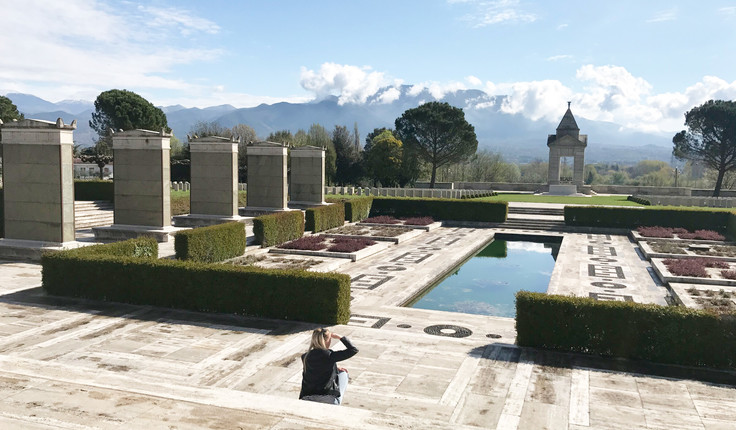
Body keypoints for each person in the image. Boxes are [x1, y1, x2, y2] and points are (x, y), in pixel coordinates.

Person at [299, 328, 358, 405]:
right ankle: (336, 400)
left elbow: (317, 369)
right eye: (330, 339)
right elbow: (353, 350)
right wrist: (339, 337)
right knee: (343, 374)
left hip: (307, 397)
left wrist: (335, 368)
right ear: (326, 341)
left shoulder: (305, 356)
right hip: (327, 399)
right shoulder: (330, 355)